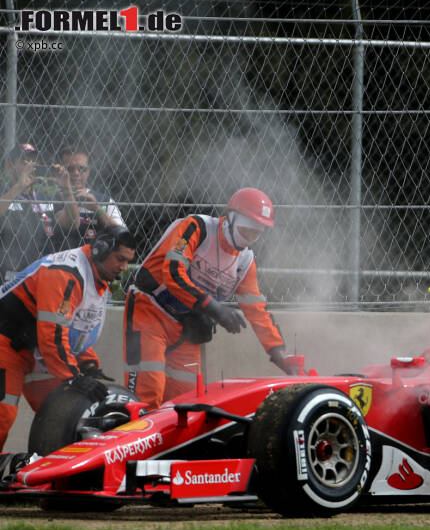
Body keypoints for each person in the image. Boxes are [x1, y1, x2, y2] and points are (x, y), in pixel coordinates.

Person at [123, 188, 299, 409]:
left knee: (185, 402)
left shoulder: (245, 262)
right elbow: (173, 272)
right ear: (232, 217)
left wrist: (278, 353)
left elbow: (257, 311)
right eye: (247, 229)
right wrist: (212, 307)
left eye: (257, 233)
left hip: (187, 326)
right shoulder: (197, 228)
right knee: (148, 393)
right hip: (149, 309)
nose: (250, 238)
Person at [0, 224, 136, 449]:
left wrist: (89, 365)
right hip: (7, 343)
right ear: (100, 250)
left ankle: (50, 475)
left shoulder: (96, 277)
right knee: (2, 416)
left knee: (64, 414)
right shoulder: (65, 273)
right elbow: (52, 334)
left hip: (38, 352)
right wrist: (74, 376)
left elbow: (77, 329)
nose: (124, 267)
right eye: (120, 259)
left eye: (127, 261)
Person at [0, 143, 80, 282]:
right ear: (10, 165)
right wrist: (19, 186)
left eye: (34, 161)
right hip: (9, 278)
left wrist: (66, 188)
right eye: (25, 162)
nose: (32, 166)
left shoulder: (44, 198)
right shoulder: (4, 194)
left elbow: (73, 223)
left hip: (42, 277)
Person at [54, 145, 126, 249]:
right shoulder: (53, 200)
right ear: (61, 170)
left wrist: (98, 209)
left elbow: (123, 236)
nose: (76, 173)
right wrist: (67, 191)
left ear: (88, 171)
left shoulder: (104, 200)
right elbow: (71, 224)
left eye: (82, 169)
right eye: (69, 169)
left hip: (96, 262)